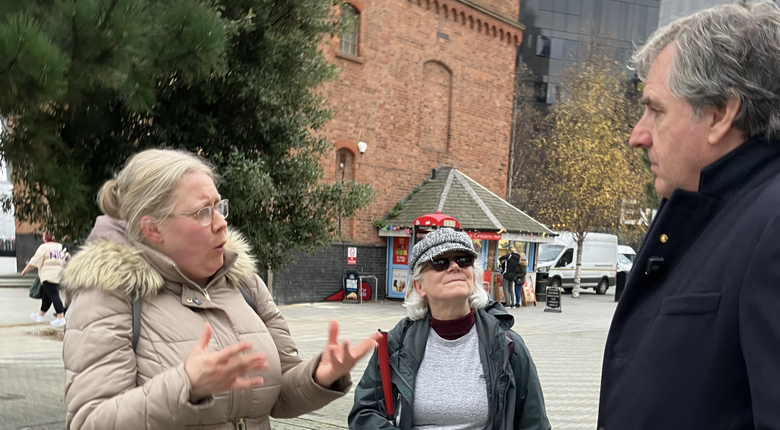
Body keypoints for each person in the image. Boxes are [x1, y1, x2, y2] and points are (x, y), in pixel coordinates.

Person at [61, 149, 378, 430]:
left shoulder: (243, 283)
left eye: (218, 206)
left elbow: (277, 396)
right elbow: (89, 421)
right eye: (202, 212)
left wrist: (319, 375)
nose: (220, 223)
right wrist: (187, 386)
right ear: (153, 228)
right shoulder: (108, 294)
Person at [599, 3, 780, 429]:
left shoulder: (770, 228)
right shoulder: (715, 216)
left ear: (721, 113)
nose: (637, 135)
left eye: (656, 110)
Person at [349, 228, 550, 429]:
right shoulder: (394, 346)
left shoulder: (508, 346)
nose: (454, 266)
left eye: (464, 260)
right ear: (419, 286)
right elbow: (364, 413)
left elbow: (535, 423)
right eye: (440, 262)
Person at [21, 232, 69, 326]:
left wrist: (25, 270)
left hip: (48, 275)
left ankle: (60, 317)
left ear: (45, 238)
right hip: (58, 275)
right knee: (46, 296)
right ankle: (40, 315)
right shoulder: (59, 247)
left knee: (54, 296)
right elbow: (65, 259)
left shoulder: (44, 247)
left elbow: (35, 261)